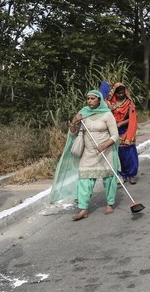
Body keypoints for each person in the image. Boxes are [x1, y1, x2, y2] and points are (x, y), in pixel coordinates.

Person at [50, 90, 119, 221]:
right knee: (84, 180)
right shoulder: (84, 113)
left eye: (93, 98)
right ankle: (83, 209)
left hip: (105, 152)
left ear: (99, 100)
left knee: (109, 179)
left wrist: (104, 145)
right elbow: (73, 133)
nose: (89, 101)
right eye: (88, 99)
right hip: (88, 153)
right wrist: (74, 121)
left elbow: (115, 135)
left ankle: (110, 204)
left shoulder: (107, 114)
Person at [108, 83, 139, 184]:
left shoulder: (129, 103)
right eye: (119, 93)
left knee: (129, 153)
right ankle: (123, 175)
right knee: (119, 154)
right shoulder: (110, 104)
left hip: (127, 129)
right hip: (114, 130)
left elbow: (132, 118)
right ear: (115, 93)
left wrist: (121, 123)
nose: (121, 95)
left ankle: (132, 175)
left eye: (122, 93)